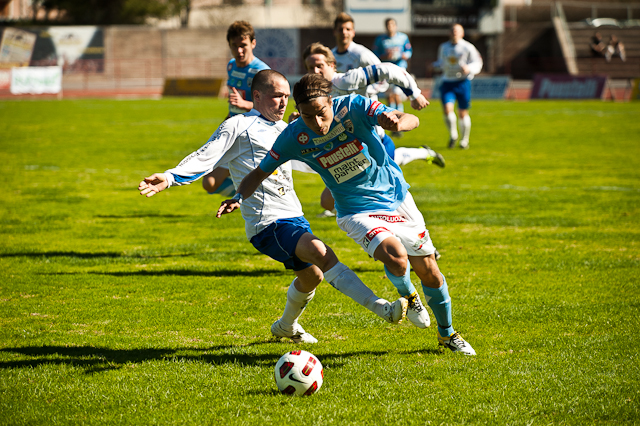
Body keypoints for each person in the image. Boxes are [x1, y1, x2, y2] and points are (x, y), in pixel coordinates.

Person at [138, 70, 408, 344]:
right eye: (276, 96)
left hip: (294, 217)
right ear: (257, 96)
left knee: (312, 276)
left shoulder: (286, 130)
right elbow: (207, 156)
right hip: (266, 223)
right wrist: (171, 176)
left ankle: (285, 327)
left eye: (286, 97)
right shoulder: (238, 125)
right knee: (322, 253)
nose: (282, 102)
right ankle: (383, 309)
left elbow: (315, 158)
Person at [219, 74, 476, 355]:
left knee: (430, 273)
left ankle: (447, 334)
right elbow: (258, 172)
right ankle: (409, 296)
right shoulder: (293, 136)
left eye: (321, 113)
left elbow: (410, 118)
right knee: (395, 257)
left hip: (397, 197)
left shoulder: (353, 107)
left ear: (331, 101)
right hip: (355, 211)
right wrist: (238, 196)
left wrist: (397, 122)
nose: (316, 123)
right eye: (307, 116)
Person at [301, 42, 445, 228]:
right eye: (310, 68)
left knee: (388, 199)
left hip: (374, 143)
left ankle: (419, 242)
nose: (315, 70)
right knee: (327, 202)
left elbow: (389, 69)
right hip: (349, 151)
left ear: (332, 65)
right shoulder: (314, 96)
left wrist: (413, 93)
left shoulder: (347, 79)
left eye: (319, 65)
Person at [201, 20, 271, 198]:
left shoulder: (262, 72)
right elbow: (233, 106)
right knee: (209, 183)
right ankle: (247, 194)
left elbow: (272, 109)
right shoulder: (231, 66)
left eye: (243, 45)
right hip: (234, 130)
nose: (239, 51)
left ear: (253, 43)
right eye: (235, 46)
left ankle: (252, 194)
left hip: (253, 135)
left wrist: (245, 105)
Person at [432, 23, 483, 150]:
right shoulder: (443, 47)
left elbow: (478, 62)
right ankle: (453, 135)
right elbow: (441, 62)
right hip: (447, 82)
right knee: (447, 109)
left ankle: (464, 140)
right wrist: (435, 65)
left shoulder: (468, 47)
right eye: (452, 30)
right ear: (449, 33)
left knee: (462, 112)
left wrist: (469, 68)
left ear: (462, 33)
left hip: (462, 82)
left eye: (457, 31)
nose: (454, 33)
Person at [373, 18, 413, 124]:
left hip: (399, 68)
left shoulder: (403, 37)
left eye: (392, 24)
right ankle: (392, 121)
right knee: (389, 96)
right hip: (386, 69)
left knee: (396, 94)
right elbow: (375, 54)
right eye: (388, 25)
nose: (390, 27)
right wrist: (385, 55)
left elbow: (409, 51)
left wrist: (404, 55)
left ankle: (400, 121)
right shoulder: (380, 39)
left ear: (396, 26)